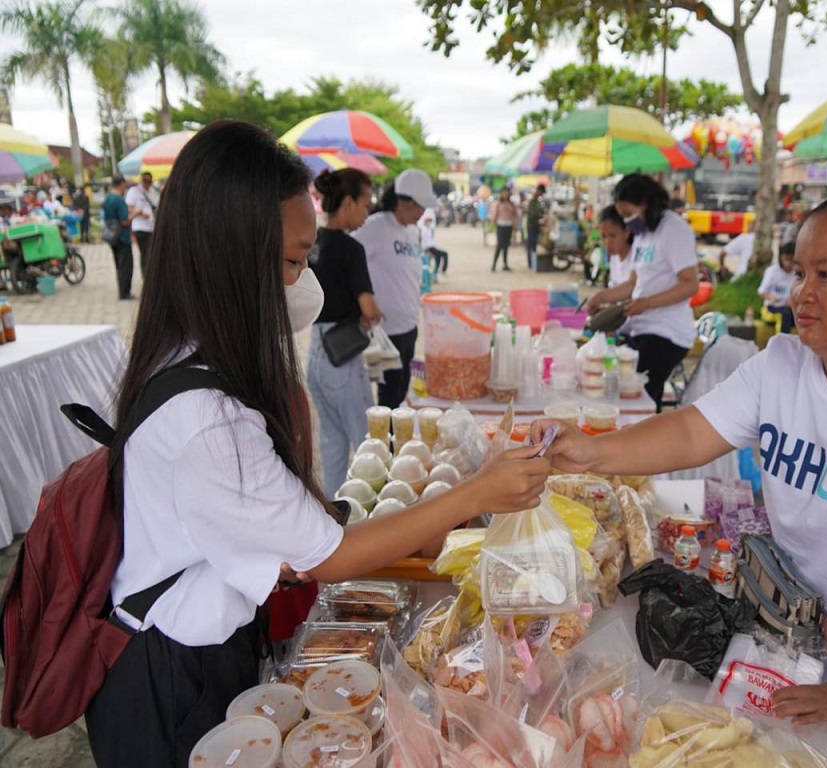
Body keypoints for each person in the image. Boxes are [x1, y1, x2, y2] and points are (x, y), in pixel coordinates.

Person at [84, 120, 550, 768]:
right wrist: (477, 491)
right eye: (295, 261)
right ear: (231, 254)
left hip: (195, 641)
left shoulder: (186, 350)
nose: (304, 284)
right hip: (172, 681)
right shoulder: (209, 424)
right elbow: (332, 555)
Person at [533, 187, 827, 768]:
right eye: (799, 272)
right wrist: (592, 454)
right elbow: (691, 432)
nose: (802, 294)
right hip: (817, 636)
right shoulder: (783, 364)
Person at [585, 174, 699, 411]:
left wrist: (646, 303)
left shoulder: (674, 230)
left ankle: (647, 442)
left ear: (645, 204)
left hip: (668, 333)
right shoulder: (644, 234)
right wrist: (602, 297)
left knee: (637, 395)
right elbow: (633, 284)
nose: (627, 221)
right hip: (642, 328)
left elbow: (690, 285)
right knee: (615, 378)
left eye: (628, 213)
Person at [307, 168, 384, 496]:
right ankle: (379, 514)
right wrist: (374, 314)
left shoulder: (312, 243)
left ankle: (335, 511)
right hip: (343, 355)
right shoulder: (351, 249)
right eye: (366, 204)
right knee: (370, 444)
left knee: (333, 444)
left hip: (315, 352)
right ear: (349, 202)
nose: (367, 213)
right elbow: (368, 309)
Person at [353, 168, 436, 409]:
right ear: (402, 201)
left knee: (403, 394)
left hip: (409, 326)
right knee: (389, 399)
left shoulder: (412, 231)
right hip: (386, 332)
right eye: (419, 206)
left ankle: (400, 444)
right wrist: (362, 301)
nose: (422, 213)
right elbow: (349, 262)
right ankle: (388, 446)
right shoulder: (375, 226)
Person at [102, 175, 136, 300]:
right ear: (122, 184)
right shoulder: (119, 200)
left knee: (119, 265)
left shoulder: (108, 198)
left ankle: (122, 290)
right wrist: (135, 214)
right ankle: (125, 293)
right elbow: (124, 221)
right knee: (126, 266)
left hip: (112, 236)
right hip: (122, 237)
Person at [757, 240, 797, 333]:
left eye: (792, 260)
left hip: (790, 307)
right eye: (786, 259)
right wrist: (771, 298)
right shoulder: (773, 271)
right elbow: (761, 292)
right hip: (773, 308)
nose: (788, 263)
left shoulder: (797, 273)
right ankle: (781, 343)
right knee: (784, 316)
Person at [125, 171, 159, 277]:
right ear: (142, 180)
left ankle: (150, 273)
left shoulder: (152, 191)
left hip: (151, 226)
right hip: (140, 227)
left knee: (152, 252)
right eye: (145, 181)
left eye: (149, 181)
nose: (147, 183)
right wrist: (140, 213)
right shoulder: (134, 191)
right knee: (145, 252)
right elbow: (129, 208)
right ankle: (146, 275)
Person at [597, 204, 634, 288]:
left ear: (627, 232)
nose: (607, 242)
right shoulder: (615, 258)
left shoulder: (636, 259)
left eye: (612, 236)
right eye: (603, 236)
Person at [490, 187, 519, 272]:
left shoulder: (511, 204)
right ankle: (494, 264)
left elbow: (515, 215)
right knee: (499, 245)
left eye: (507, 192)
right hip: (501, 226)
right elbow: (495, 215)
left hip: (509, 226)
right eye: (504, 192)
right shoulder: (499, 203)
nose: (506, 194)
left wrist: (515, 225)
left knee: (506, 246)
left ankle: (505, 264)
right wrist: (492, 225)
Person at [418, 208, 448, 280]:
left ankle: (437, 272)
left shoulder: (430, 228)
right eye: (428, 220)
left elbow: (433, 221)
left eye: (430, 221)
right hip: (427, 248)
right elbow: (422, 242)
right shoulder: (423, 229)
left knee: (441, 255)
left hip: (432, 247)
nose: (429, 222)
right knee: (440, 255)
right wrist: (426, 251)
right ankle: (437, 272)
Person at [526, 184, 546, 270]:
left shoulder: (537, 201)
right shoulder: (533, 201)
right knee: (531, 245)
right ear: (539, 191)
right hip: (532, 225)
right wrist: (540, 216)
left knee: (534, 245)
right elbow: (533, 214)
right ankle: (531, 263)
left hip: (535, 225)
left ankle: (533, 262)